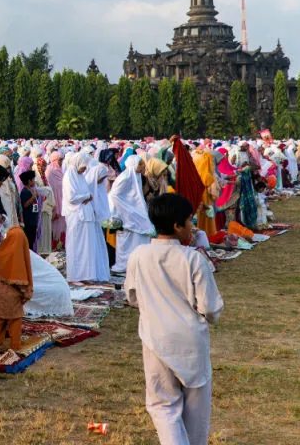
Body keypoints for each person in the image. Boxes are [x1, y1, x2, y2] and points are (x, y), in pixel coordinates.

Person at [125, 194, 224, 445]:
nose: (193, 226)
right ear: (177, 226)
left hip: (155, 337)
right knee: (196, 412)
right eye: (190, 221)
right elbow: (211, 308)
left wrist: (154, 306)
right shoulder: (193, 259)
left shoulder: (138, 255)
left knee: (163, 407)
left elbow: (132, 297)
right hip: (191, 340)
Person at [64, 153, 111, 282]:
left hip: (86, 216)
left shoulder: (80, 177)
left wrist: (86, 196)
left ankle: (86, 275)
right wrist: (86, 196)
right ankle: (76, 275)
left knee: (87, 248)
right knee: (77, 246)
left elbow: (86, 194)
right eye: (83, 167)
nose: (85, 170)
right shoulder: (69, 176)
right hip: (77, 216)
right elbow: (71, 198)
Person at [0, 226, 33, 353]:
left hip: (0, 292)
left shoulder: (2, 251)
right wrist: (26, 292)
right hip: (13, 295)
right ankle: (15, 345)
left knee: (0, 319)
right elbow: (18, 279)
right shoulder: (17, 257)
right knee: (15, 320)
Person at [109, 155, 154, 274]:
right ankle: (125, 265)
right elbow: (114, 195)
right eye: (140, 164)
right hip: (127, 215)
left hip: (136, 213)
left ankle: (139, 264)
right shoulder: (125, 176)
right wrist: (127, 209)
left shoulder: (137, 176)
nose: (142, 167)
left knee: (140, 238)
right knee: (126, 241)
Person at [19, 170, 40, 250]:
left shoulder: (31, 190)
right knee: (29, 240)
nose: (34, 181)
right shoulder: (24, 191)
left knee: (32, 239)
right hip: (28, 220)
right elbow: (25, 205)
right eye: (33, 179)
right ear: (29, 181)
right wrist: (33, 197)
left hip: (33, 219)